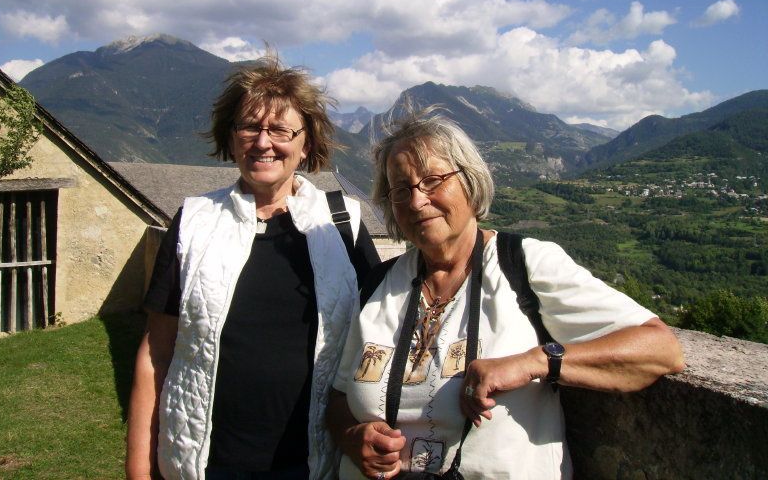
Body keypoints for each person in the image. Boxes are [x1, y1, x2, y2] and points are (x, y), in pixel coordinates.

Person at [327, 110, 685, 479]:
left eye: (433, 181)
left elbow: (661, 350)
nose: (417, 201)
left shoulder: (524, 265)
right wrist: (352, 436)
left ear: (470, 182)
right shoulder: (379, 285)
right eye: (401, 189)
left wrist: (535, 362)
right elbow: (339, 397)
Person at [126, 53, 380, 480]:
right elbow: (156, 353)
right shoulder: (194, 222)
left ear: (307, 143)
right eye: (249, 126)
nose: (263, 142)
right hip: (204, 466)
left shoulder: (342, 224)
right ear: (232, 137)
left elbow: (381, 334)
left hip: (314, 465)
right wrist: (139, 471)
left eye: (280, 129)